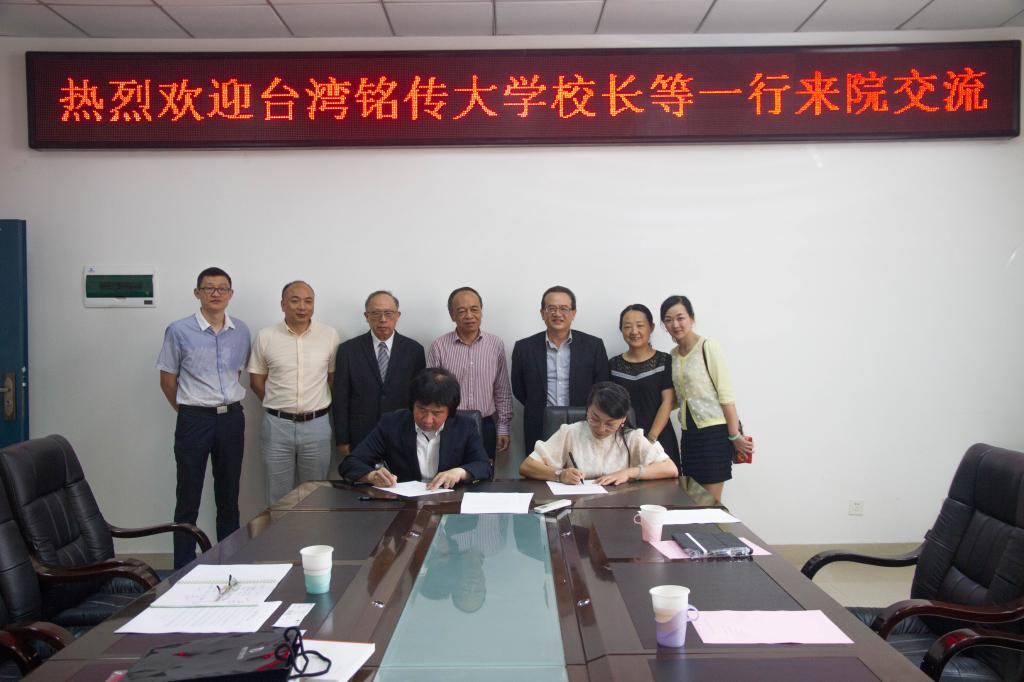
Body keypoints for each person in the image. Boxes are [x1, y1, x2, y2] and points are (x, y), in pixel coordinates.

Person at [156, 267, 251, 569]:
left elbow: (236, 372)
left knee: (229, 496)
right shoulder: (179, 330)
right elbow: (168, 381)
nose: (216, 294)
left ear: (231, 294)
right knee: (188, 496)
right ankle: (183, 567)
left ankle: (230, 564)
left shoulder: (241, 331)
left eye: (222, 288)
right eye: (209, 288)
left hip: (231, 419)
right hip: (194, 419)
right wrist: (190, 411)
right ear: (197, 293)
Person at [249, 281, 341, 504]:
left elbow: (332, 379)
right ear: (283, 304)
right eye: (295, 300)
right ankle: (279, 531)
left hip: (317, 425)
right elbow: (256, 381)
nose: (302, 307)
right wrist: (280, 406)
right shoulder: (266, 336)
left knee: (316, 495)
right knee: (278, 496)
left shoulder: (329, 335)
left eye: (308, 301)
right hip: (277, 426)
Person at [660, 295, 753, 503]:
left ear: (691, 318)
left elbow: (726, 395)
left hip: (714, 435)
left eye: (680, 318)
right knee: (693, 500)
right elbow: (679, 398)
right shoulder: (672, 355)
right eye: (668, 320)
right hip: (689, 436)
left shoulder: (707, 346)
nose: (675, 324)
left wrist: (734, 436)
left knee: (711, 503)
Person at [338, 367, 491, 488]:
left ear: (450, 411)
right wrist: (371, 476)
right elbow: (350, 463)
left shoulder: (465, 426)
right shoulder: (392, 424)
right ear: (412, 405)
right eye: (421, 410)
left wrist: (459, 472)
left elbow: (483, 465)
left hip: (451, 503)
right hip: (405, 505)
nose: (427, 420)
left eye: (437, 413)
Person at [511, 285, 609, 455]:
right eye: (551, 308)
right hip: (539, 425)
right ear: (542, 313)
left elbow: (602, 386)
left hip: (583, 424)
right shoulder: (524, 348)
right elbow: (519, 389)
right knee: (540, 469)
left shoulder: (594, 346)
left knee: (581, 469)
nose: (557, 313)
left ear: (573, 313)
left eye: (564, 308)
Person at [519, 382, 677, 485]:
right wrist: (559, 474)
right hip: (578, 510)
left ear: (623, 419)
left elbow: (670, 468)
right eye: (594, 419)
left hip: (620, 510)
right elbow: (527, 466)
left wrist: (629, 473)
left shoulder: (632, 437)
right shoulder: (570, 432)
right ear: (588, 410)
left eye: (610, 424)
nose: (601, 429)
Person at [332, 290, 425, 455]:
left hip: (402, 432)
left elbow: (419, 397)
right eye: (375, 313)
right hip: (360, 434)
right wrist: (342, 439)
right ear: (366, 316)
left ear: (397, 316)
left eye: (388, 313)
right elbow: (340, 398)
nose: (382, 319)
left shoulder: (414, 350)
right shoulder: (348, 350)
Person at [428, 287, 512, 460]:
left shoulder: (495, 344)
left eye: (474, 309)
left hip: (486, 424)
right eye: (461, 311)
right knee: (449, 473)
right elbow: (430, 392)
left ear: (481, 311)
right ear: (452, 315)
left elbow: (501, 389)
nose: (469, 315)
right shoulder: (439, 346)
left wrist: (503, 427)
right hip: (449, 423)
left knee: (484, 472)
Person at [609, 304, 680, 467]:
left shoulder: (664, 361)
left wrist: (650, 439)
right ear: (621, 330)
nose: (634, 331)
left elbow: (668, 401)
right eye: (627, 326)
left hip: (660, 440)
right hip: (624, 444)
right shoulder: (612, 365)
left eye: (640, 325)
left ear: (651, 327)